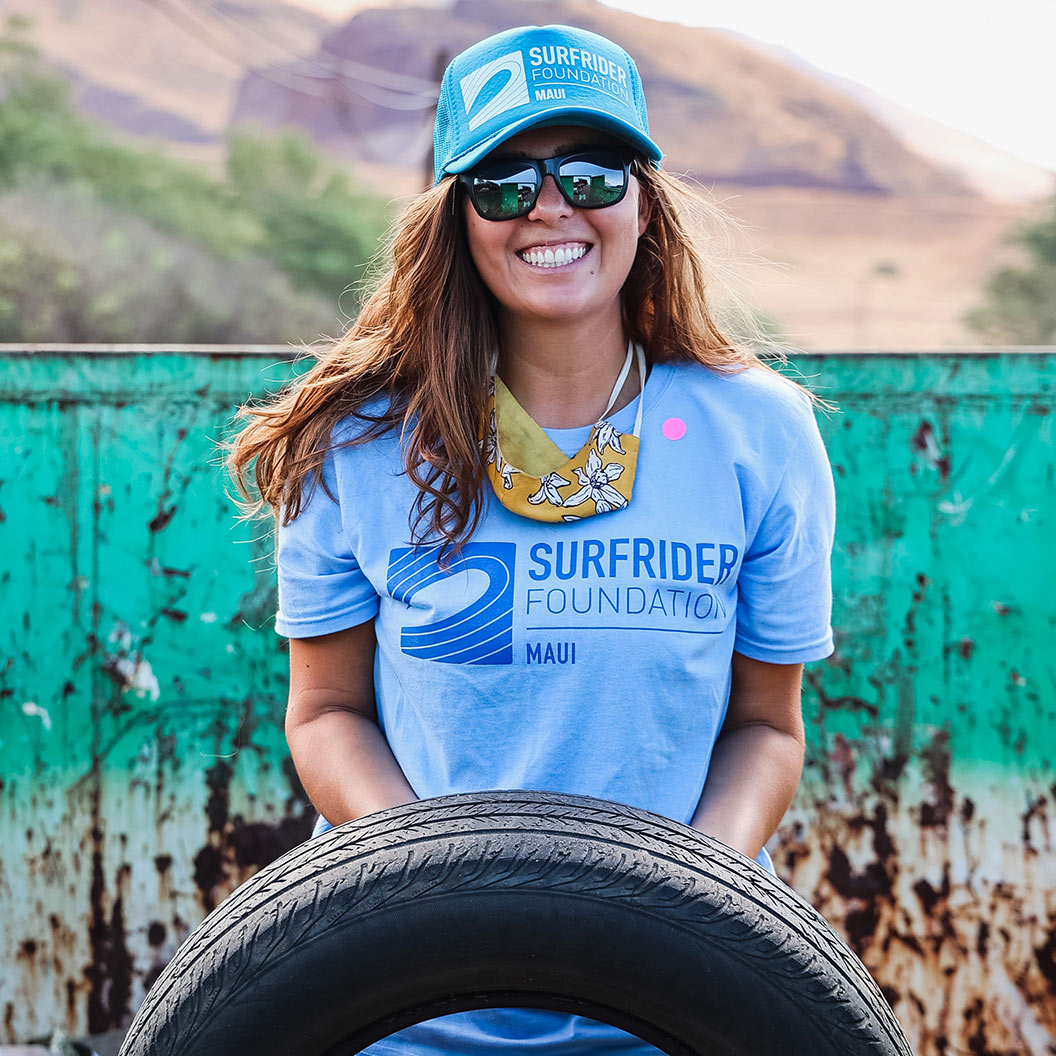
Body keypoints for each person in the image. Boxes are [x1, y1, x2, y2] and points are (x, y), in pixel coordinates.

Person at [228, 22, 835, 1056]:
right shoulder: (358, 442)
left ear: (646, 199)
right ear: (456, 218)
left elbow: (766, 728)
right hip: (408, 1009)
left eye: (593, 173)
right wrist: (434, 895)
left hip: (678, 1010)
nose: (550, 208)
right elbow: (325, 711)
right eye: (504, 181)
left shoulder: (761, 433)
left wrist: (682, 913)